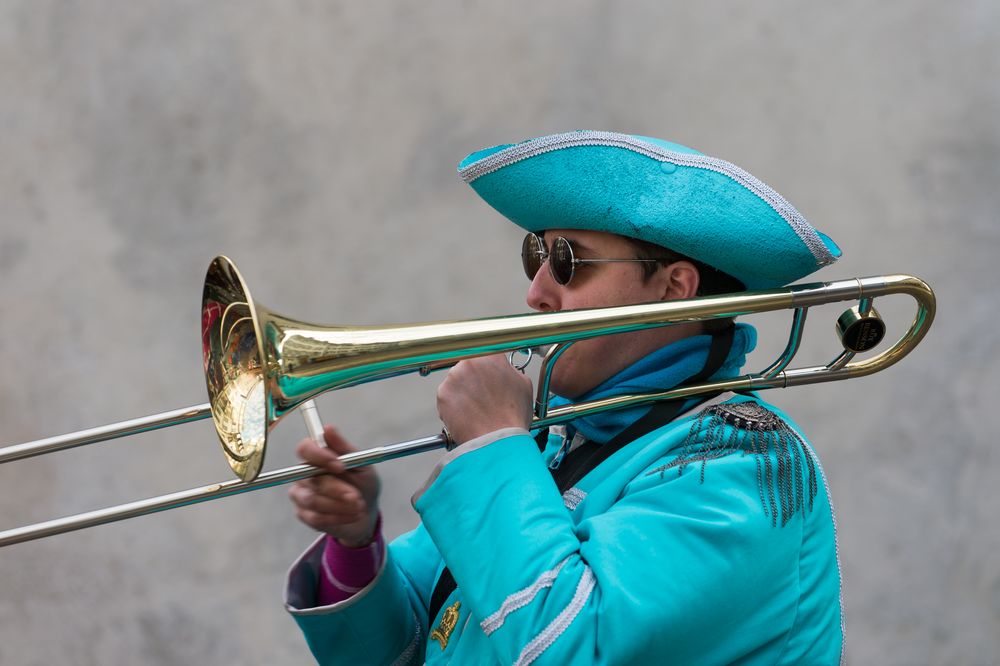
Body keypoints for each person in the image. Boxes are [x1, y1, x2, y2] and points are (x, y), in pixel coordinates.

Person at [284, 130, 845, 665]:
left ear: (674, 288)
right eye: (536, 257)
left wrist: (493, 446)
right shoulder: (560, 445)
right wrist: (356, 543)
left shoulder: (745, 462)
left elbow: (578, 648)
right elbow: (408, 647)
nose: (536, 293)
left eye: (569, 262)